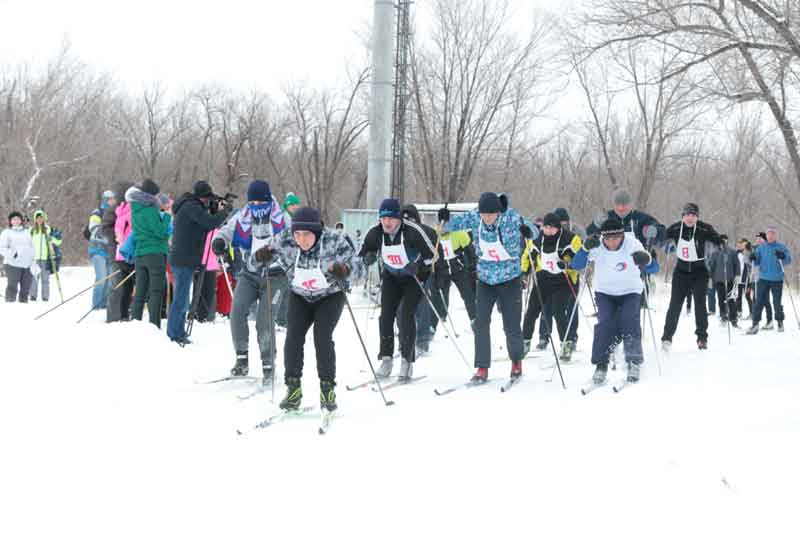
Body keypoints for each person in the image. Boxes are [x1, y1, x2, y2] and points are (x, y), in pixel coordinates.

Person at [255, 207, 354, 411]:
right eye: (297, 234)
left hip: (329, 296)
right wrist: (260, 256)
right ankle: (293, 389)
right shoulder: (285, 239)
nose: (301, 240)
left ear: (316, 232)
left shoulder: (334, 240)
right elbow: (257, 261)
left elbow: (358, 267)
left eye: (307, 235)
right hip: (300, 295)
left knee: (322, 336)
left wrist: (344, 271)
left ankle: (327, 389)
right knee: (293, 338)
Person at [442, 192, 537, 382]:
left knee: (511, 325)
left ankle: (516, 361)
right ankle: (482, 367)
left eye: (491, 215)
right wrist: (445, 220)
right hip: (485, 279)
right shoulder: (476, 216)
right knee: (481, 323)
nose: (487, 218)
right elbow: (454, 225)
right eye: (484, 214)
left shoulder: (511, 216)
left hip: (510, 278)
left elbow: (535, 230)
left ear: (498, 212)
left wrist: (528, 231)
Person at [211, 179, 286, 382]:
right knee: (237, 310)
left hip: (275, 274)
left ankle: (268, 363)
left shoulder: (281, 217)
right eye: (251, 203)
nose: (255, 208)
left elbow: (292, 240)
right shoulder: (243, 216)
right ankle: (241, 359)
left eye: (259, 204)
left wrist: (275, 253)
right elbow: (226, 231)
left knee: (264, 320)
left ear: (267, 200)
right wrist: (219, 241)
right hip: (250, 273)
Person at [358, 198, 437, 380]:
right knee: (385, 315)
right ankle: (386, 360)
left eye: (391, 218)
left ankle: (406, 361)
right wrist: (367, 257)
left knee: (406, 314)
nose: (387, 222)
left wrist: (418, 266)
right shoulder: (375, 232)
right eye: (383, 218)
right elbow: (362, 253)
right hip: (392, 277)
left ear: (399, 219)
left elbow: (433, 256)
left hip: (414, 278)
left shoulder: (412, 231)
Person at [571, 218, 657, 383]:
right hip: (605, 292)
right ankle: (601, 365)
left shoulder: (632, 244)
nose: (611, 242)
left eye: (615, 238)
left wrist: (647, 260)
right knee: (604, 324)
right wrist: (584, 249)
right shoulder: (597, 245)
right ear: (602, 237)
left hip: (630, 291)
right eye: (607, 239)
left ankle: (633, 361)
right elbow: (576, 265)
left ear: (622, 235)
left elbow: (654, 268)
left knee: (629, 320)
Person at [166, 180, 231, 344]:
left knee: (182, 297)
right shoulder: (191, 207)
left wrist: (215, 210)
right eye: (207, 198)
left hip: (185, 258)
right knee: (181, 298)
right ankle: (175, 333)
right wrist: (224, 212)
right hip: (183, 259)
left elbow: (205, 221)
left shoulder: (190, 206)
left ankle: (177, 331)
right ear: (202, 197)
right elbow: (209, 223)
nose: (208, 201)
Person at [660, 203, 721, 350]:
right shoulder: (675, 228)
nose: (690, 218)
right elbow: (662, 239)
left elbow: (717, 239)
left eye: (693, 215)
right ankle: (667, 337)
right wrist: (664, 244)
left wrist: (720, 242)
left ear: (697, 217)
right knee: (675, 305)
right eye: (687, 215)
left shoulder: (703, 228)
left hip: (699, 271)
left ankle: (702, 338)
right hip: (681, 271)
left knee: (700, 304)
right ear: (683, 216)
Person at [522, 212, 582, 361]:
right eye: (545, 227)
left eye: (551, 228)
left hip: (563, 279)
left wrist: (568, 264)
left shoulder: (570, 239)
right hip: (544, 277)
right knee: (532, 310)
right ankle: (524, 341)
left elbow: (581, 259)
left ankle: (566, 344)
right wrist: (524, 272)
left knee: (558, 311)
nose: (548, 231)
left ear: (558, 228)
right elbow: (527, 255)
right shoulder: (537, 238)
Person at [128, 179, 171, 329]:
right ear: (152, 195)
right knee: (155, 292)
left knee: (140, 292)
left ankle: (135, 323)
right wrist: (166, 216)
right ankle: (154, 326)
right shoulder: (150, 209)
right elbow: (159, 232)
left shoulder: (135, 208)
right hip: (155, 254)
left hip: (140, 254)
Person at [746, 226, 792, 334]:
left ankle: (780, 321)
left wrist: (783, 256)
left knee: (776, 302)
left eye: (772, 234)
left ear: (775, 235)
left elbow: (788, 260)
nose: (770, 236)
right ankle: (755, 324)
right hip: (763, 279)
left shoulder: (781, 247)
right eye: (769, 234)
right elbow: (756, 261)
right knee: (758, 301)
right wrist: (752, 257)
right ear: (766, 236)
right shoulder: (761, 248)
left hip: (777, 279)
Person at [107, 182, 136, 322]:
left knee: (127, 287)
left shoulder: (121, 211)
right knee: (122, 286)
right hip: (126, 254)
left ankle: (124, 314)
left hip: (122, 252)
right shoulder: (128, 211)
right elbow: (112, 230)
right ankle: (118, 315)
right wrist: (119, 241)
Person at [87, 190, 117, 310]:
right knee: (101, 277)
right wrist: (108, 236)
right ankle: (96, 305)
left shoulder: (115, 213)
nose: (113, 201)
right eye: (110, 199)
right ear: (105, 200)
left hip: (110, 251)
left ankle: (104, 304)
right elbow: (93, 230)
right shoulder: (97, 213)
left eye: (113, 199)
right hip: (98, 250)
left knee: (110, 279)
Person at [0, 211, 35, 302]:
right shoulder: (6, 233)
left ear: (21, 221)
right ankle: (10, 304)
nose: (16, 221)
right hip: (12, 264)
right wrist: (13, 254)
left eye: (18, 219)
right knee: (12, 286)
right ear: (10, 221)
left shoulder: (27, 232)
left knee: (26, 287)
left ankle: (23, 305)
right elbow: (2, 248)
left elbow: (32, 247)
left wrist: (33, 260)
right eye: (13, 219)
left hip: (27, 264)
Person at [29, 209, 62, 302]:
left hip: (46, 258)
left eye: (41, 218)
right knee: (34, 278)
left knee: (45, 279)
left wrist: (52, 238)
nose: (39, 220)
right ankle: (33, 295)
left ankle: (45, 296)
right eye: (38, 218)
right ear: (35, 219)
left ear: (44, 219)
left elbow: (58, 242)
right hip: (34, 259)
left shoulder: (49, 230)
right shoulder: (31, 231)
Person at [707, 234, 740, 327]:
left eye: (725, 240)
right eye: (721, 241)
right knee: (721, 299)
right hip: (719, 280)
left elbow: (737, 264)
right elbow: (711, 266)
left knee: (730, 299)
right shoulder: (715, 253)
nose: (723, 242)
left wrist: (737, 275)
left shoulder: (732, 252)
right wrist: (709, 277)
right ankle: (723, 316)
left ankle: (733, 318)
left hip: (730, 280)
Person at [751, 232, 773, 327]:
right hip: (756, 277)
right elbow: (751, 262)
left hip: (764, 277)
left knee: (765, 300)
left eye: (760, 239)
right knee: (757, 299)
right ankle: (756, 320)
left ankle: (769, 320)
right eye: (757, 239)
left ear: (765, 240)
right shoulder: (755, 248)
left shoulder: (766, 249)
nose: (758, 240)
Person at [735, 238, 753, 319]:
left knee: (747, 296)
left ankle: (752, 313)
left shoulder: (749, 253)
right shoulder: (736, 253)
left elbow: (750, 264)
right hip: (738, 279)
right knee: (738, 296)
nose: (740, 245)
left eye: (742, 244)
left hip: (746, 279)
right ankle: (739, 312)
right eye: (739, 244)